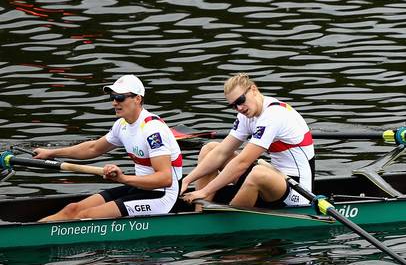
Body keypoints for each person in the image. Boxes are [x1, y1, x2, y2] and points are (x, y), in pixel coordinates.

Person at [37, 75, 183, 222]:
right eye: (112, 97)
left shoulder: (153, 130)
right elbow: (93, 148)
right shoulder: (122, 125)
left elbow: (165, 179)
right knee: (72, 209)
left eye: (120, 97)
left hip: (163, 195)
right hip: (140, 187)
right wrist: (51, 153)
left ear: (137, 99)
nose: (114, 102)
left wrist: (123, 178)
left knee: (85, 216)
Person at [181, 74, 315, 209]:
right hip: (276, 176)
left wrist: (205, 191)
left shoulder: (273, 115)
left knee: (257, 173)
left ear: (253, 89)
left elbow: (242, 163)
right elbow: (221, 153)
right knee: (210, 149)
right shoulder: (246, 115)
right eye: (233, 105)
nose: (239, 108)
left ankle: (229, 222)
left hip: (296, 189)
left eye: (240, 100)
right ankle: (200, 214)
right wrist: (187, 180)